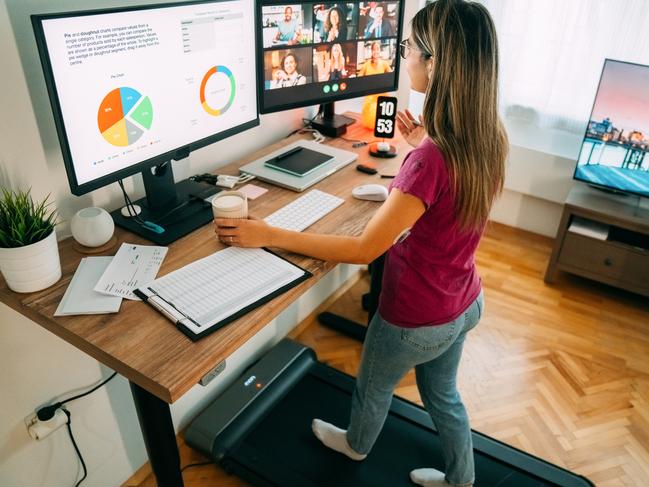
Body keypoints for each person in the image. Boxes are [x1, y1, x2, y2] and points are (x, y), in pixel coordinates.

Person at [216, 1, 508, 486]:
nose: (405, 56)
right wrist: (419, 150)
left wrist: (267, 233)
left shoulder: (430, 160)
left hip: (413, 317)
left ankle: (354, 446)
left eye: (410, 48)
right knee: (444, 397)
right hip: (464, 301)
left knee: (373, 390)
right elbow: (445, 200)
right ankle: (462, 480)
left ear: (435, 64)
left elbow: (363, 250)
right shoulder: (487, 136)